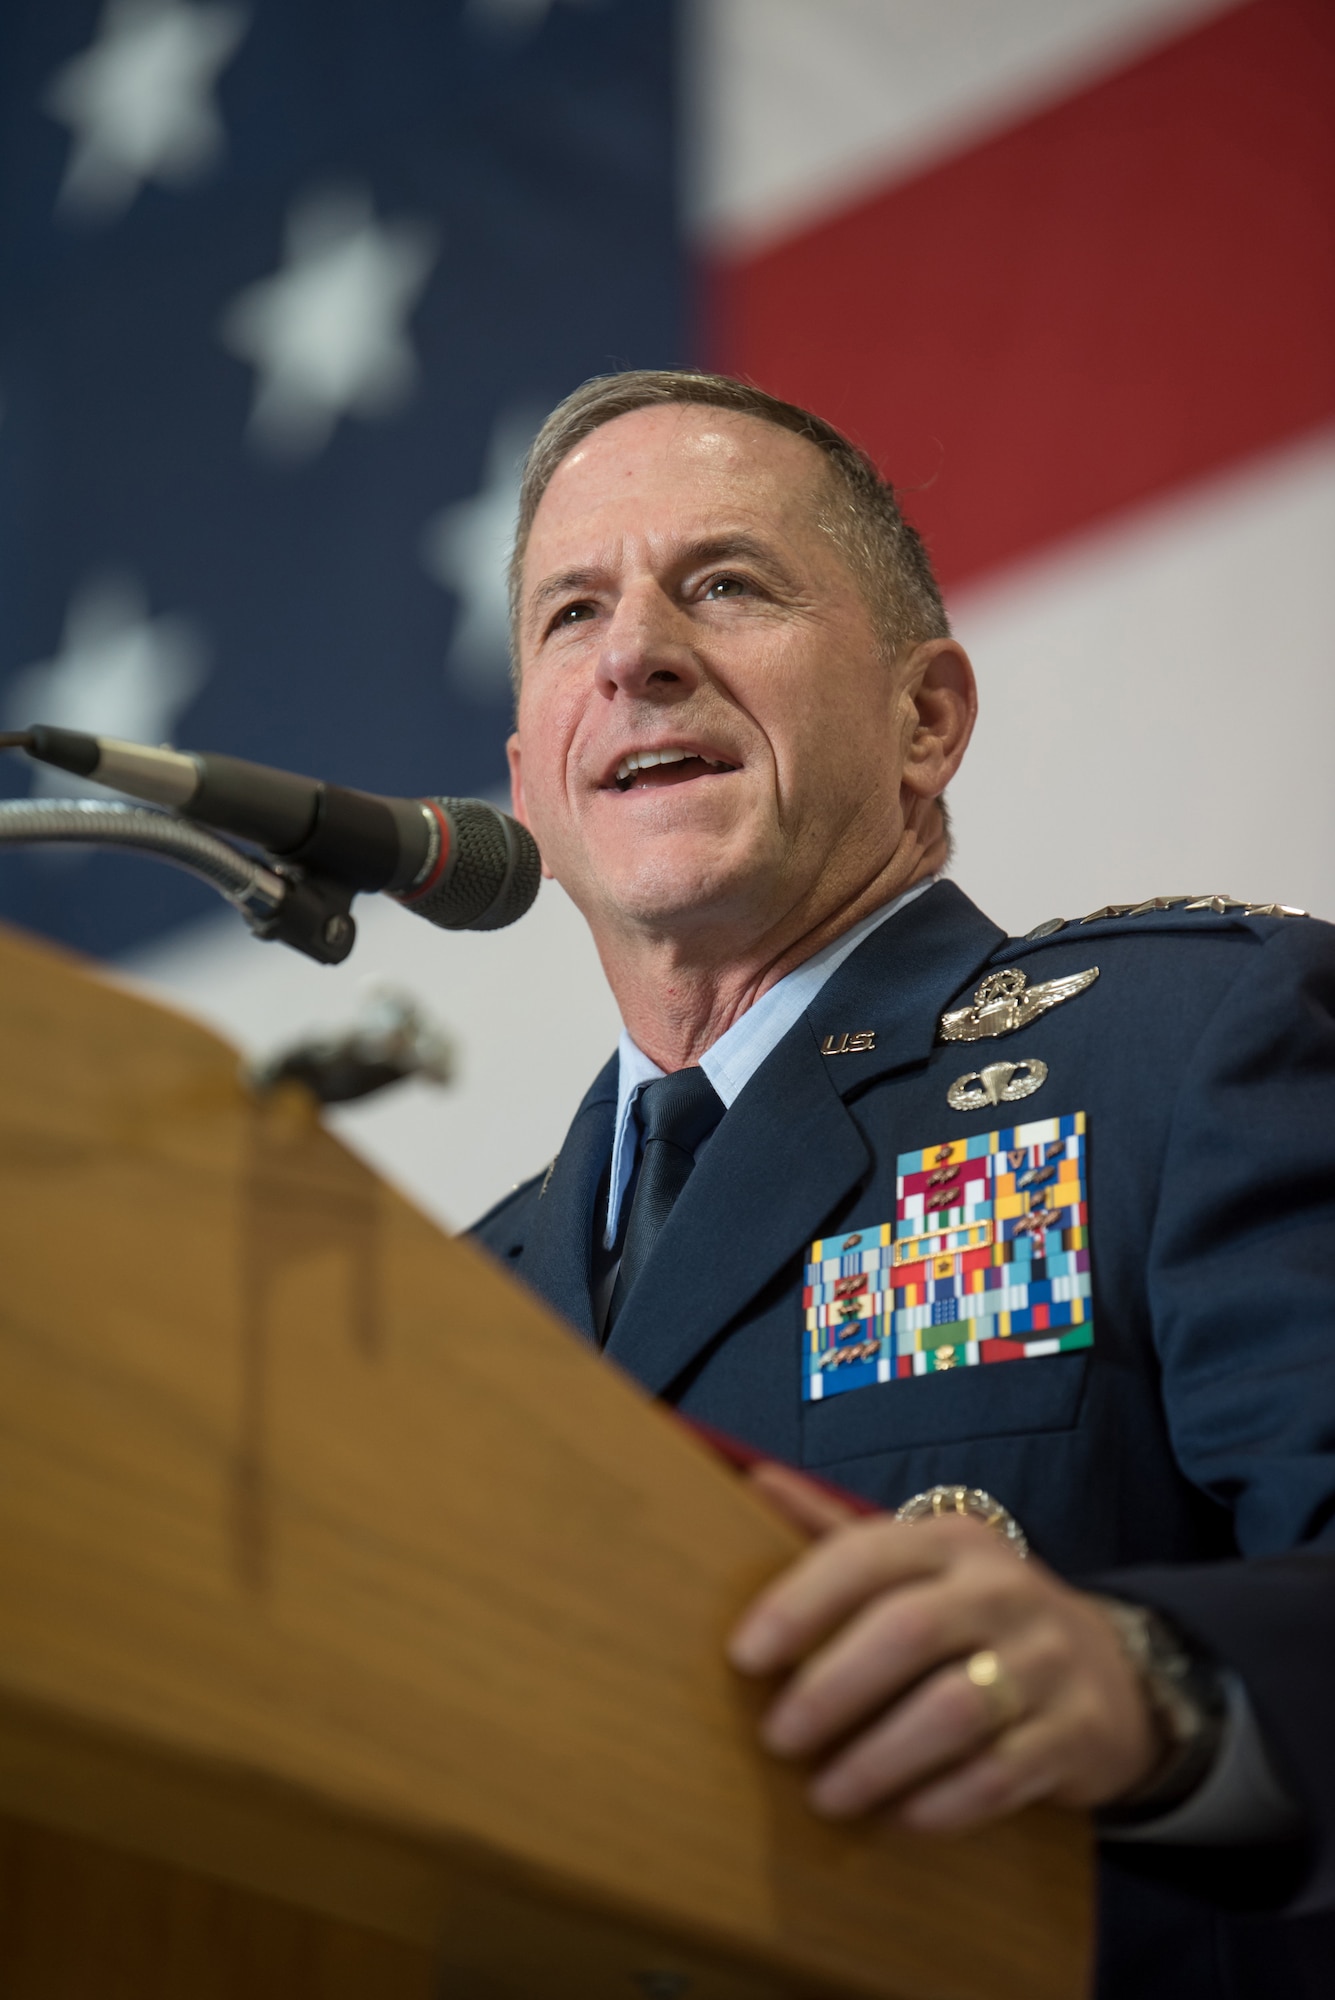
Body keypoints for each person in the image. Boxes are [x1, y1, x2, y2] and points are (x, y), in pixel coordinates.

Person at [471, 369, 1335, 1999]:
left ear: (925, 718)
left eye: (724, 583)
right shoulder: (445, 1306)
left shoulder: (1196, 1046)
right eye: (571, 611)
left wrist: (1158, 1689)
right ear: (531, 783)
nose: (637, 651)